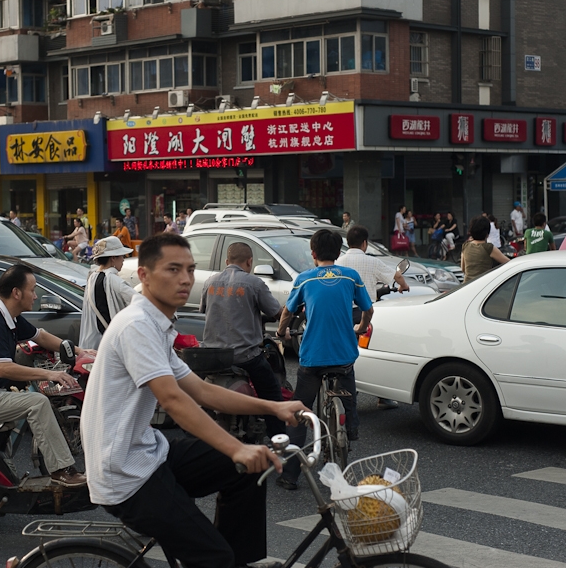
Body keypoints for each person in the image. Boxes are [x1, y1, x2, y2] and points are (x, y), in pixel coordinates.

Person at [81, 234, 304, 568]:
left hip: (147, 452)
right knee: (213, 556)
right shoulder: (136, 325)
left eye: (189, 269)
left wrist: (273, 407)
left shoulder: (156, 325)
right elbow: (173, 400)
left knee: (246, 473)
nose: (185, 279)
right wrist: (236, 447)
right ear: (143, 275)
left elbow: (200, 391)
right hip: (125, 474)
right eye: (173, 269)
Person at [0, 265, 93, 487]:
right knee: (36, 403)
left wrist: (80, 351)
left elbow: (41, 337)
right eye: (33, 289)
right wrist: (50, 374)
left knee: (31, 402)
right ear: (16, 293)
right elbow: (4, 369)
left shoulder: (9, 317)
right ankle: (61, 470)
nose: (36, 295)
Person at [276, 230, 373, 490]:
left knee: (299, 411)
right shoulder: (350, 276)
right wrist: (362, 327)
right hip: (343, 354)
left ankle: (290, 475)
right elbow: (368, 308)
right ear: (338, 253)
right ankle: (350, 428)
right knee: (347, 388)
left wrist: (281, 331)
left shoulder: (305, 279)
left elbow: (288, 312)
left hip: (312, 357)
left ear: (313, 253)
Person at [200, 242, 285, 437]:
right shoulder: (254, 283)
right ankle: (280, 443)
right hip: (245, 357)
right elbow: (275, 312)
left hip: (213, 357)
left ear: (226, 261)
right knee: (272, 397)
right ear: (249, 261)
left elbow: (205, 310)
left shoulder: (209, 282)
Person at [337, 225, 407, 410]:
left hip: (344, 314)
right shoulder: (372, 262)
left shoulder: (339, 261)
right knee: (376, 354)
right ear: (365, 244)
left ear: (348, 243)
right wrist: (404, 286)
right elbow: (397, 276)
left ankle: (346, 392)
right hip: (366, 315)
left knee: (346, 354)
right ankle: (383, 397)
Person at [79, 236, 137, 350]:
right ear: (113, 258)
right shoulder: (114, 280)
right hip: (110, 347)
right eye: (122, 256)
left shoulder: (92, 277)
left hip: (91, 346)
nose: (124, 259)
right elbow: (139, 302)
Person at [460, 217, 510, 283]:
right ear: (487, 234)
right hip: (483, 286)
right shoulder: (488, 247)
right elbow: (508, 262)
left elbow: (463, 268)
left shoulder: (465, 246)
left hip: (467, 285)